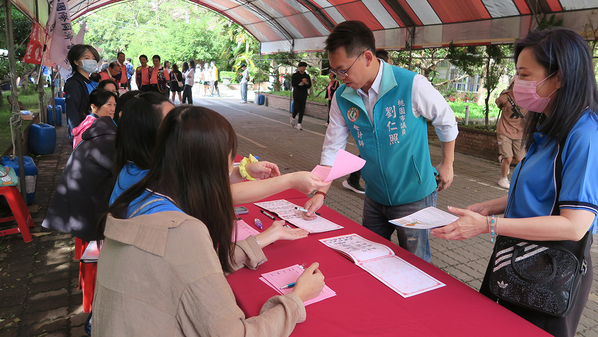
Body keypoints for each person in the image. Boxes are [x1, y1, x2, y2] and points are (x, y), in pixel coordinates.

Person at [92, 106, 326, 336]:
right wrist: (297, 298)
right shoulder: (181, 229)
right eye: (229, 160)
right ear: (209, 166)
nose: (231, 169)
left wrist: (262, 239)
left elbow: (188, 267)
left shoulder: (140, 197)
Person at [432, 28, 598, 337]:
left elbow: (574, 225)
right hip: (516, 257)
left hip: (551, 270)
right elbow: (541, 194)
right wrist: (488, 208)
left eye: (523, 74)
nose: (516, 84)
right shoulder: (548, 127)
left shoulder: (584, 134)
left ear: (558, 77)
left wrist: (488, 226)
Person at [303, 21, 458, 262]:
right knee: (369, 259)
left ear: (367, 57)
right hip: (374, 195)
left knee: (414, 264)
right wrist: (321, 192)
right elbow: (333, 146)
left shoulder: (411, 84)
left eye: (343, 70)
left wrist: (447, 164)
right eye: (334, 72)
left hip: (414, 195)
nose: (339, 77)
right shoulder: (342, 97)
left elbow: (446, 120)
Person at [495, 81, 528, 188]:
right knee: (508, 158)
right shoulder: (504, 97)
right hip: (504, 131)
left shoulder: (529, 99)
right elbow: (498, 103)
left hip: (520, 133)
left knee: (520, 160)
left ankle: (503, 160)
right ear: (513, 85)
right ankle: (503, 179)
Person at [64, 44, 101, 140]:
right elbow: (73, 113)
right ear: (76, 62)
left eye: (93, 58)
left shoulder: (91, 83)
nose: (92, 61)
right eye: (87, 58)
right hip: (84, 135)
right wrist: (76, 137)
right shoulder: (73, 84)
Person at [290, 61, 311, 130]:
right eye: (302, 67)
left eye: (305, 67)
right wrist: (301, 82)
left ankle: (299, 123)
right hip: (297, 94)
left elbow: (309, 85)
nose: (304, 68)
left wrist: (306, 83)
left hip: (304, 94)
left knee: (302, 109)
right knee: (296, 108)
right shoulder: (295, 75)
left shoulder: (307, 76)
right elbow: (293, 84)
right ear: (299, 68)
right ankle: (293, 117)